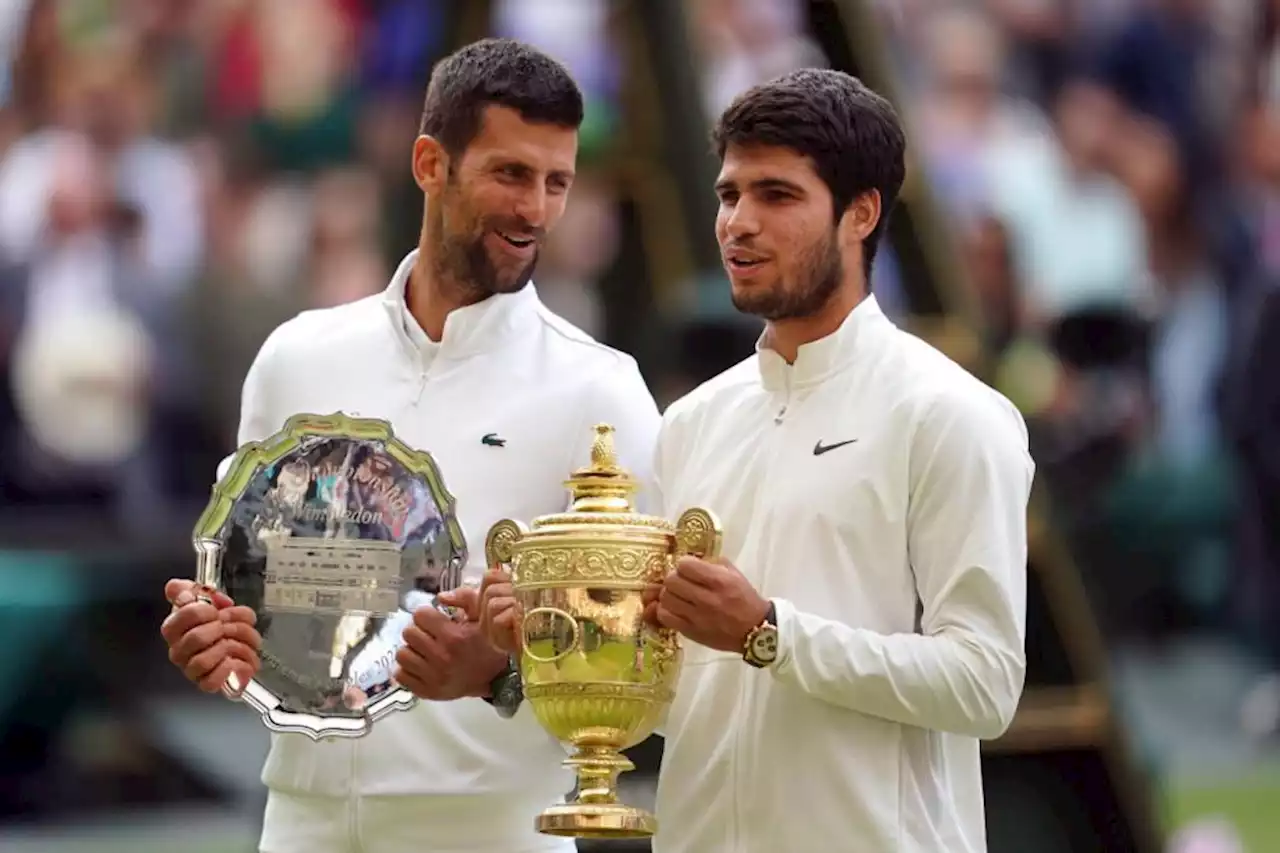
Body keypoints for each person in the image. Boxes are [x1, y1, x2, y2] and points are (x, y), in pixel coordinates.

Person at [481, 68, 1036, 853]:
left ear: (862, 213)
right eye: (729, 194)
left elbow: (984, 685)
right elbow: (695, 699)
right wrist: (562, 639)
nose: (738, 223)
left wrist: (770, 633)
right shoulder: (694, 423)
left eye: (776, 195)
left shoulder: (950, 414)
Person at [159, 38, 661, 853]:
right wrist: (212, 639)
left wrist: (494, 675)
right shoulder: (296, 357)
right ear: (431, 163)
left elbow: (654, 662)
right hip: (300, 822)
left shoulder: (601, 392)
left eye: (557, 182)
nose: (536, 208)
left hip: (496, 830)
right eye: (510, 174)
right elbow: (248, 592)